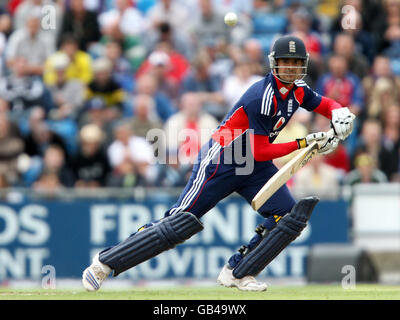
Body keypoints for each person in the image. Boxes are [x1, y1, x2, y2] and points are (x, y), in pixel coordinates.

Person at [82, 35, 355, 292]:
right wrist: (306, 143)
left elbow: (323, 103)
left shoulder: (298, 91)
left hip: (254, 166)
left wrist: (340, 112)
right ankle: (104, 263)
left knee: (288, 216)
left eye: (297, 63)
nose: (292, 68)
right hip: (223, 160)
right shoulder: (262, 96)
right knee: (180, 223)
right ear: (275, 63)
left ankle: (239, 271)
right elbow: (261, 151)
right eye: (286, 62)